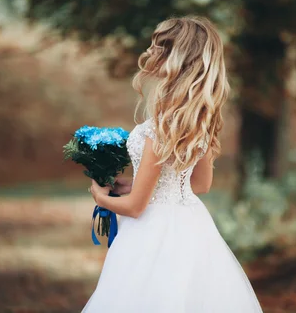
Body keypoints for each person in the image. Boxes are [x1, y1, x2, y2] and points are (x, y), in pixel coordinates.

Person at [83, 16, 263, 312]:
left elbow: (136, 207)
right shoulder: (199, 119)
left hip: (153, 235)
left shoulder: (160, 126)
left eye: (158, 46)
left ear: (176, 56)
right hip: (191, 228)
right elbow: (199, 185)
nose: (150, 52)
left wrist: (100, 196)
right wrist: (132, 184)